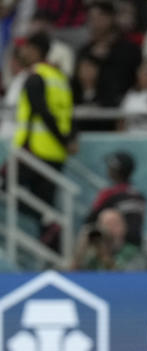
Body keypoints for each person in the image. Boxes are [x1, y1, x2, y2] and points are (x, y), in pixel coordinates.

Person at [13, 31, 74, 239]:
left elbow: (43, 112)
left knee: (6, 187)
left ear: (35, 50)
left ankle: (48, 219)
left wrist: (64, 140)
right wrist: (68, 140)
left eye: (25, 47)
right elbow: (68, 113)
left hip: (34, 150)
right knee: (44, 204)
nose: (22, 52)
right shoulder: (59, 78)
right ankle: (51, 235)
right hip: (55, 154)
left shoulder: (36, 77)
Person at [76, 1, 141, 107]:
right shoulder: (85, 51)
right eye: (91, 19)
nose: (94, 23)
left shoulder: (129, 50)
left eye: (99, 18)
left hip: (122, 106)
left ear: (111, 18)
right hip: (90, 108)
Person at [81, 151, 147, 248]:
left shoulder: (109, 193)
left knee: (91, 229)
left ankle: (76, 263)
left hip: (115, 246)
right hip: (137, 244)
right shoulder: (139, 195)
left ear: (115, 171)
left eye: (109, 167)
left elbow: (90, 219)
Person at [71, 208, 147, 272]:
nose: (110, 228)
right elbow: (71, 280)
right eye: (106, 224)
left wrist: (104, 254)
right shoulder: (92, 254)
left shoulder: (134, 253)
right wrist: (82, 248)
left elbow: (122, 280)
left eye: (115, 224)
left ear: (124, 227)